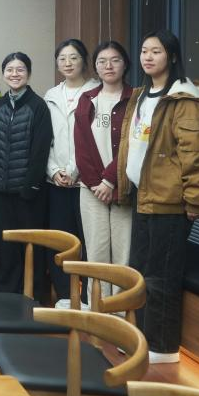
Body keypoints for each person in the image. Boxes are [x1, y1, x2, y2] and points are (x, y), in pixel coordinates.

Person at [118, 30, 199, 364]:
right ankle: (140, 338)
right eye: (144, 50)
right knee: (141, 272)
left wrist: (195, 201)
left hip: (169, 202)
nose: (148, 57)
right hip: (143, 196)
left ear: (171, 56)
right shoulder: (142, 95)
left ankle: (162, 348)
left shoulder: (184, 100)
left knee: (161, 277)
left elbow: (196, 155)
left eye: (156, 51)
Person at [73, 40, 133, 302]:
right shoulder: (87, 99)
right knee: (96, 254)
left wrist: (110, 180)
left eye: (115, 60)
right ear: (95, 67)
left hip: (123, 187)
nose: (108, 66)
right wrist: (97, 183)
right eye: (102, 61)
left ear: (125, 64)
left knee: (123, 255)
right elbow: (81, 146)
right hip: (92, 190)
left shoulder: (135, 100)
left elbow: (134, 145)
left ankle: (119, 313)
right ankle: (98, 310)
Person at [0, 52, 52, 297]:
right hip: (1, 188)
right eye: (10, 70)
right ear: (3, 73)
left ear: (28, 73)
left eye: (20, 70)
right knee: (7, 244)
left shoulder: (38, 106)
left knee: (31, 243)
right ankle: (8, 292)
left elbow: (41, 149)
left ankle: (34, 292)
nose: (14, 74)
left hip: (28, 190)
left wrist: (31, 186)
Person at [44, 38, 98, 307]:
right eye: (62, 58)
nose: (67, 63)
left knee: (88, 241)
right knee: (60, 240)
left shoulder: (96, 92)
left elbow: (92, 140)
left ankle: (86, 296)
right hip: (55, 182)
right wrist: (54, 170)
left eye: (73, 57)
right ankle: (65, 294)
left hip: (86, 183)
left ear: (84, 61)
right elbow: (45, 139)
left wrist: (75, 170)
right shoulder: (51, 95)